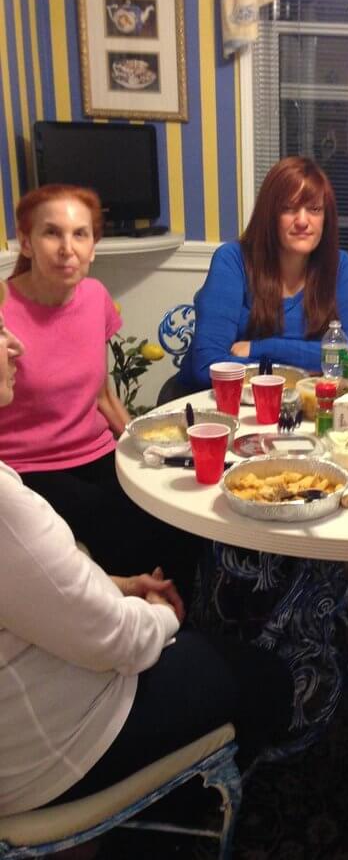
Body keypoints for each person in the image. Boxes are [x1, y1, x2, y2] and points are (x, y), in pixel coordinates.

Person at [0, 277, 294, 860]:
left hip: (32, 694)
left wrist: (111, 583)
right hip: (47, 745)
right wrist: (164, 613)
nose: (14, 344)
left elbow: (30, 589)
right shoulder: (6, 506)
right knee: (268, 682)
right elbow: (120, 643)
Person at [0, 184, 203, 602]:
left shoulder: (94, 298)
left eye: (80, 234)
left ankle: (176, 617)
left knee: (180, 511)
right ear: (27, 241)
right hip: (28, 468)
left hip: (97, 454)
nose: (67, 249)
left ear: (93, 247)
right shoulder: (3, 310)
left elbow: (103, 396)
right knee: (120, 528)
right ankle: (147, 617)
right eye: (52, 233)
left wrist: (146, 451)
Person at [178, 156, 348, 390]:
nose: (302, 221)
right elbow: (209, 367)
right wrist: (313, 363)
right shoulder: (232, 260)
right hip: (218, 403)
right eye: (288, 208)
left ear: (325, 218)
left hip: (303, 403)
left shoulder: (340, 266)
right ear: (269, 215)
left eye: (314, 209)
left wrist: (260, 348)